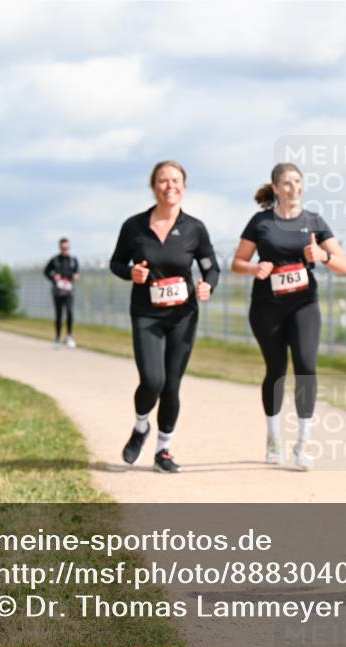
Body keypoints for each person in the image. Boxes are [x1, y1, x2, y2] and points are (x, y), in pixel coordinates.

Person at [231, 163, 346, 470]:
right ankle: (273, 438)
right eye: (286, 183)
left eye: (298, 182)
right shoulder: (260, 222)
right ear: (275, 188)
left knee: (306, 366)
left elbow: (343, 265)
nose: (293, 188)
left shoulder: (314, 221)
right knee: (276, 370)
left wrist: (322, 256)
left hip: (303, 304)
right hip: (266, 307)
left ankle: (304, 442)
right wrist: (255, 268)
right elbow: (237, 263)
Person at [109, 160, 219, 473]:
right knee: (152, 380)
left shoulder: (194, 228)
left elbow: (211, 266)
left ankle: (163, 450)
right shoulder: (134, 226)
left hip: (183, 316)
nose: (170, 186)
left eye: (175, 180)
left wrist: (207, 285)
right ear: (153, 186)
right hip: (146, 314)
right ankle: (141, 426)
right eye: (163, 180)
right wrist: (132, 272)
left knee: (171, 385)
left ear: (184, 185)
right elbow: (117, 263)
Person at [44, 237, 81, 348]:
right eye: (63, 247)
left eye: (67, 247)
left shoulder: (73, 260)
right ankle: (58, 338)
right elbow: (46, 271)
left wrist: (75, 276)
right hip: (58, 291)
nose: (65, 249)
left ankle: (69, 336)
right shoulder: (54, 260)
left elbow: (76, 273)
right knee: (59, 314)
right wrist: (53, 277)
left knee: (69, 312)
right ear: (60, 247)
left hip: (69, 290)